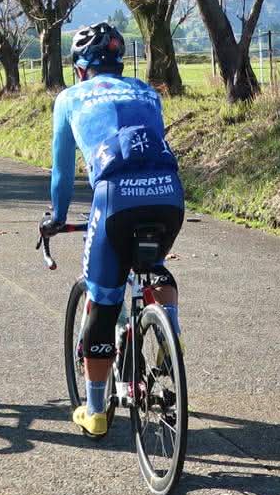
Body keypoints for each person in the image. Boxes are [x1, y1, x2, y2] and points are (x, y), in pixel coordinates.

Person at [42, 22, 185, 439]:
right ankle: (170, 334)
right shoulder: (147, 92)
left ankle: (94, 411)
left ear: (79, 67)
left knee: (103, 302)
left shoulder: (69, 98)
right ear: (120, 62)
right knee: (153, 266)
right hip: (168, 194)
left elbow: (62, 173)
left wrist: (57, 217)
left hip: (115, 200)